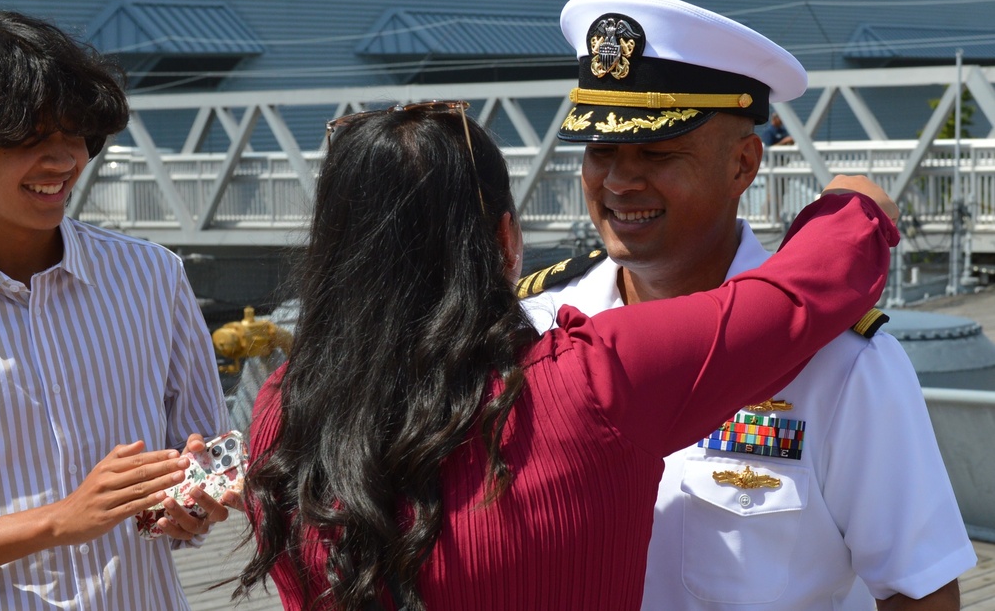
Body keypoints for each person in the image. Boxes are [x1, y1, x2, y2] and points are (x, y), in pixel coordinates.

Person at [234, 92, 898, 611]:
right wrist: (853, 206)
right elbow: (799, 294)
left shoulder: (281, 408)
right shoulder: (598, 380)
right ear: (505, 239)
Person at [520, 0, 976, 610]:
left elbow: (919, 593)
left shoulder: (843, 364)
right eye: (601, 152)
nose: (620, 182)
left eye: (656, 153)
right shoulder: (533, 324)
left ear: (743, 163)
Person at [0, 10, 233, 609]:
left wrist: (192, 506)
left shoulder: (152, 275)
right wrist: (59, 520)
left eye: (74, 134)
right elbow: (74, 517)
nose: (62, 161)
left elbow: (205, 453)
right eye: (28, 138)